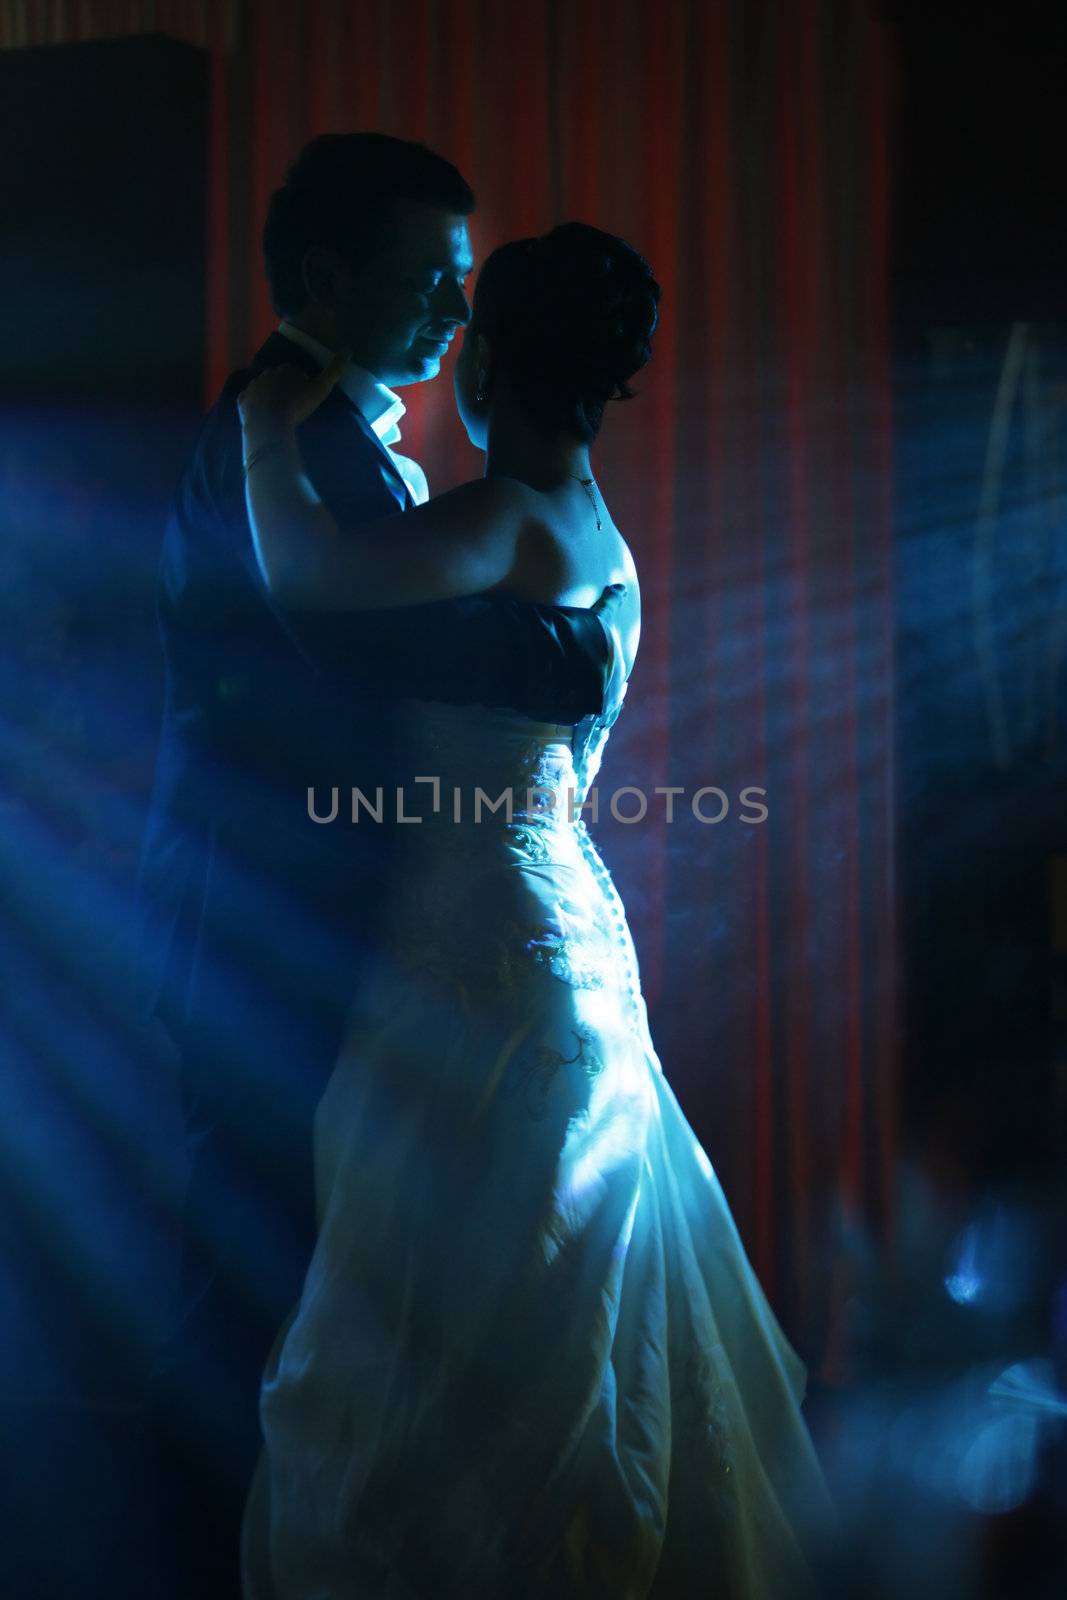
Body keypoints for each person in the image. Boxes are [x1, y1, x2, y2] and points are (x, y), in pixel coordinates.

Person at [234, 221, 838, 1599]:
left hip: (481, 953)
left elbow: (311, 584)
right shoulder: (600, 536)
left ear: (490, 361)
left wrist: (268, 424)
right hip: (570, 929)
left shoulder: (499, 518)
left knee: (458, 1300)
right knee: (548, 1293)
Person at [136, 135, 626, 1600]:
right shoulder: (273, 432)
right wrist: (584, 644)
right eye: (428, 279)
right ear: (328, 276)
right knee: (261, 1290)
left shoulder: (354, 441)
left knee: (355, 1290)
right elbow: (350, 635)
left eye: (464, 285)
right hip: (272, 926)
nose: (452, 314)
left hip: (394, 926)